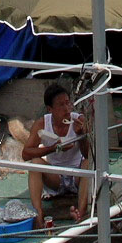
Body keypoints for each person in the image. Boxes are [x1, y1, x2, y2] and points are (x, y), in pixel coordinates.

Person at [24, 84, 91, 224]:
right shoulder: (42, 124)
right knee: (35, 163)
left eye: (68, 103)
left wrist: (81, 135)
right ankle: (39, 215)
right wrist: (54, 148)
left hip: (77, 174)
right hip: (55, 178)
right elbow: (26, 154)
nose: (66, 109)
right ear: (50, 109)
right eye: (61, 105)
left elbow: (87, 155)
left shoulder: (79, 120)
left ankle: (81, 212)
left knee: (88, 163)